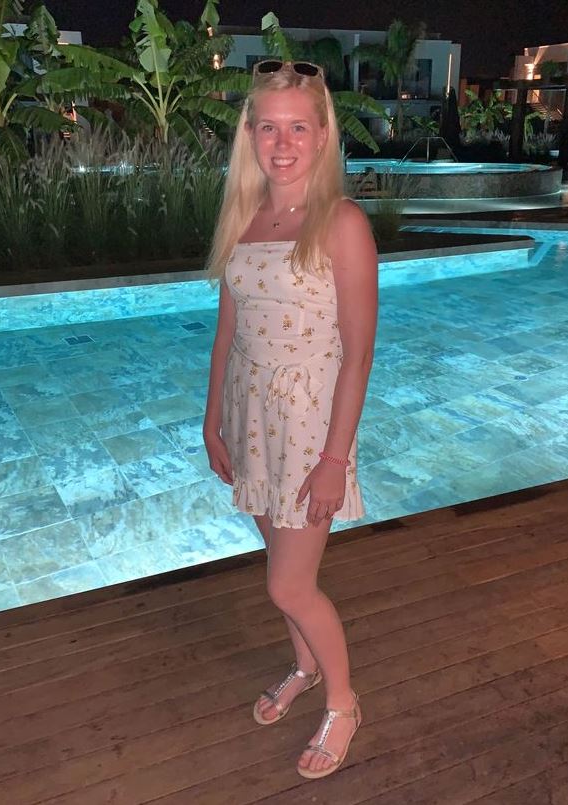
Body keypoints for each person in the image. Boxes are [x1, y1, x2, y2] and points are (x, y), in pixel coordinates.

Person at [203, 59, 378, 780]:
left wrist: (334, 460)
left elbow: (358, 355)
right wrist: (212, 419)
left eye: (298, 128)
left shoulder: (342, 223)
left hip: (309, 429)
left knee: (288, 585)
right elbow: (228, 329)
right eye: (269, 127)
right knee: (279, 562)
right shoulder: (243, 218)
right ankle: (304, 668)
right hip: (250, 415)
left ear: (322, 134)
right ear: (249, 134)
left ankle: (342, 700)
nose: (282, 144)